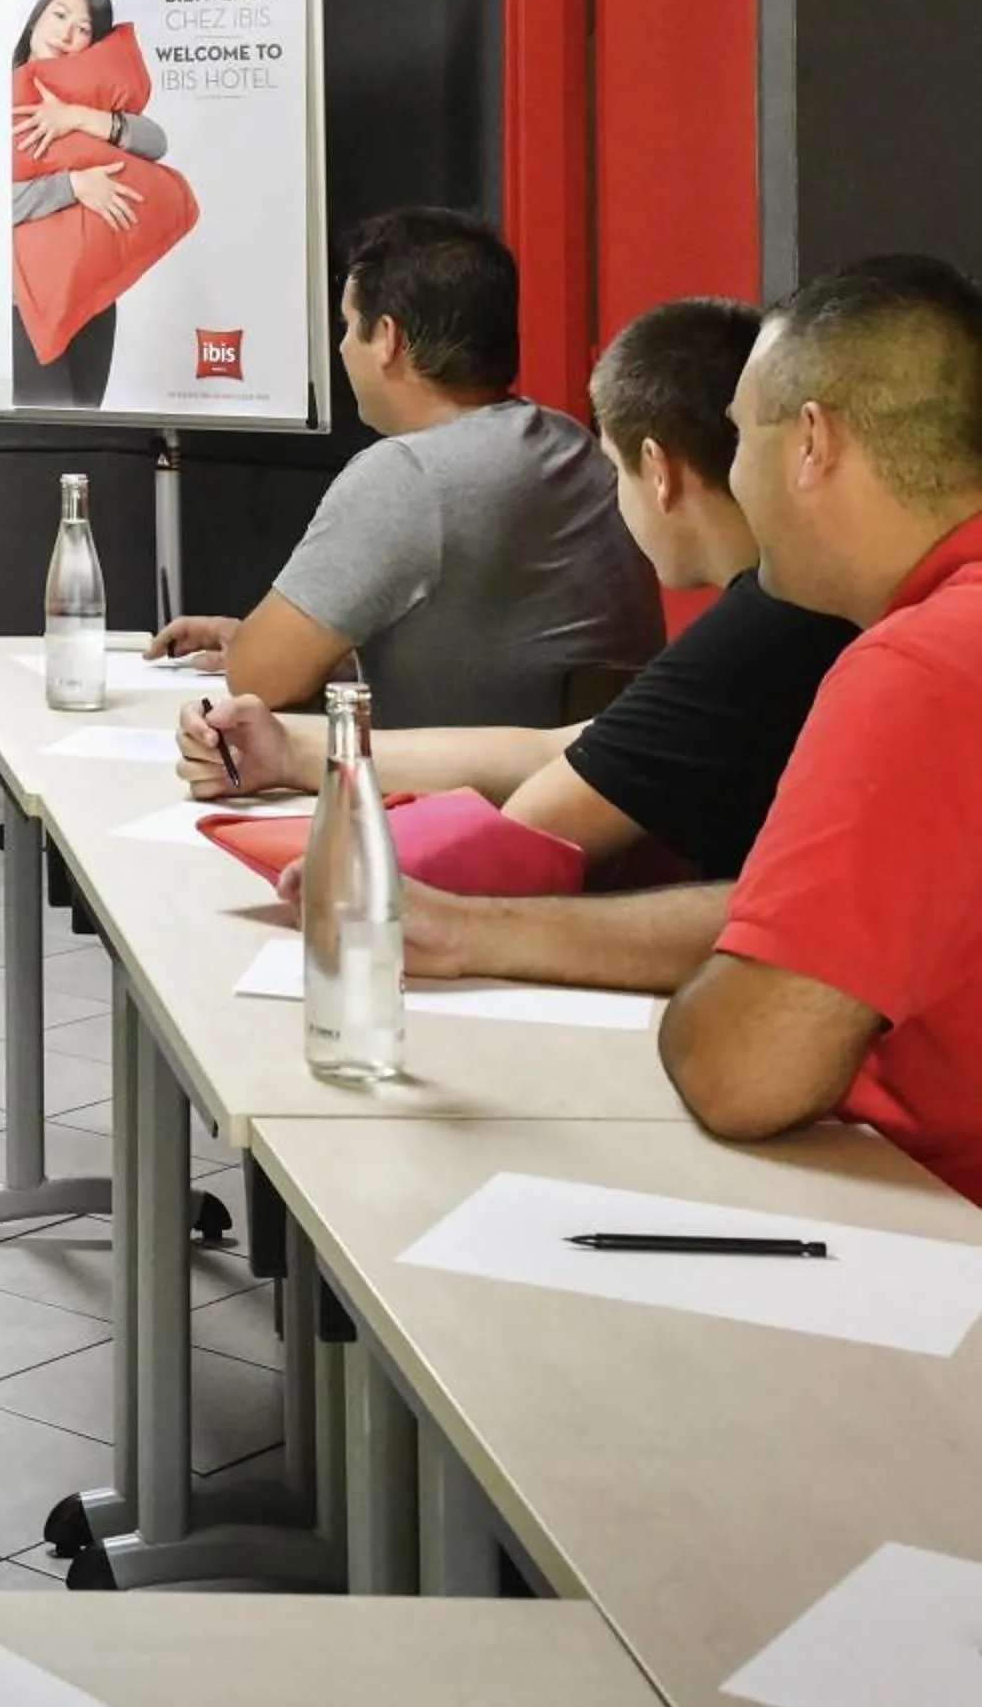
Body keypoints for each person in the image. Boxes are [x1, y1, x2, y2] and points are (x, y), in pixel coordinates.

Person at [179, 296, 854, 992]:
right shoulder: (798, 606)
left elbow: (529, 825)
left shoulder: (760, 631)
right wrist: (291, 752)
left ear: (657, 469)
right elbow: (560, 748)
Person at [658, 257, 982, 1205]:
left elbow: (742, 1069)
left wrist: (690, 1016)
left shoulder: (922, 667)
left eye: (736, 439)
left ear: (810, 441)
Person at [149, 207, 664, 726]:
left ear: (389, 339)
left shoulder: (407, 474)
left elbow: (259, 679)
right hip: (579, 787)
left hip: (463, 799)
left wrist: (256, 649)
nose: (343, 346)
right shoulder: (572, 445)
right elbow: (506, 659)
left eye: (349, 327)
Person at [6, 0, 182, 409]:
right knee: (49, 432)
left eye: (83, 28)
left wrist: (78, 118)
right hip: (25, 303)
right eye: (59, 16)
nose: (67, 34)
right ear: (34, 20)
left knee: (86, 424)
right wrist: (74, 185)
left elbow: (155, 142)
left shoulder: (89, 96)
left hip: (93, 297)